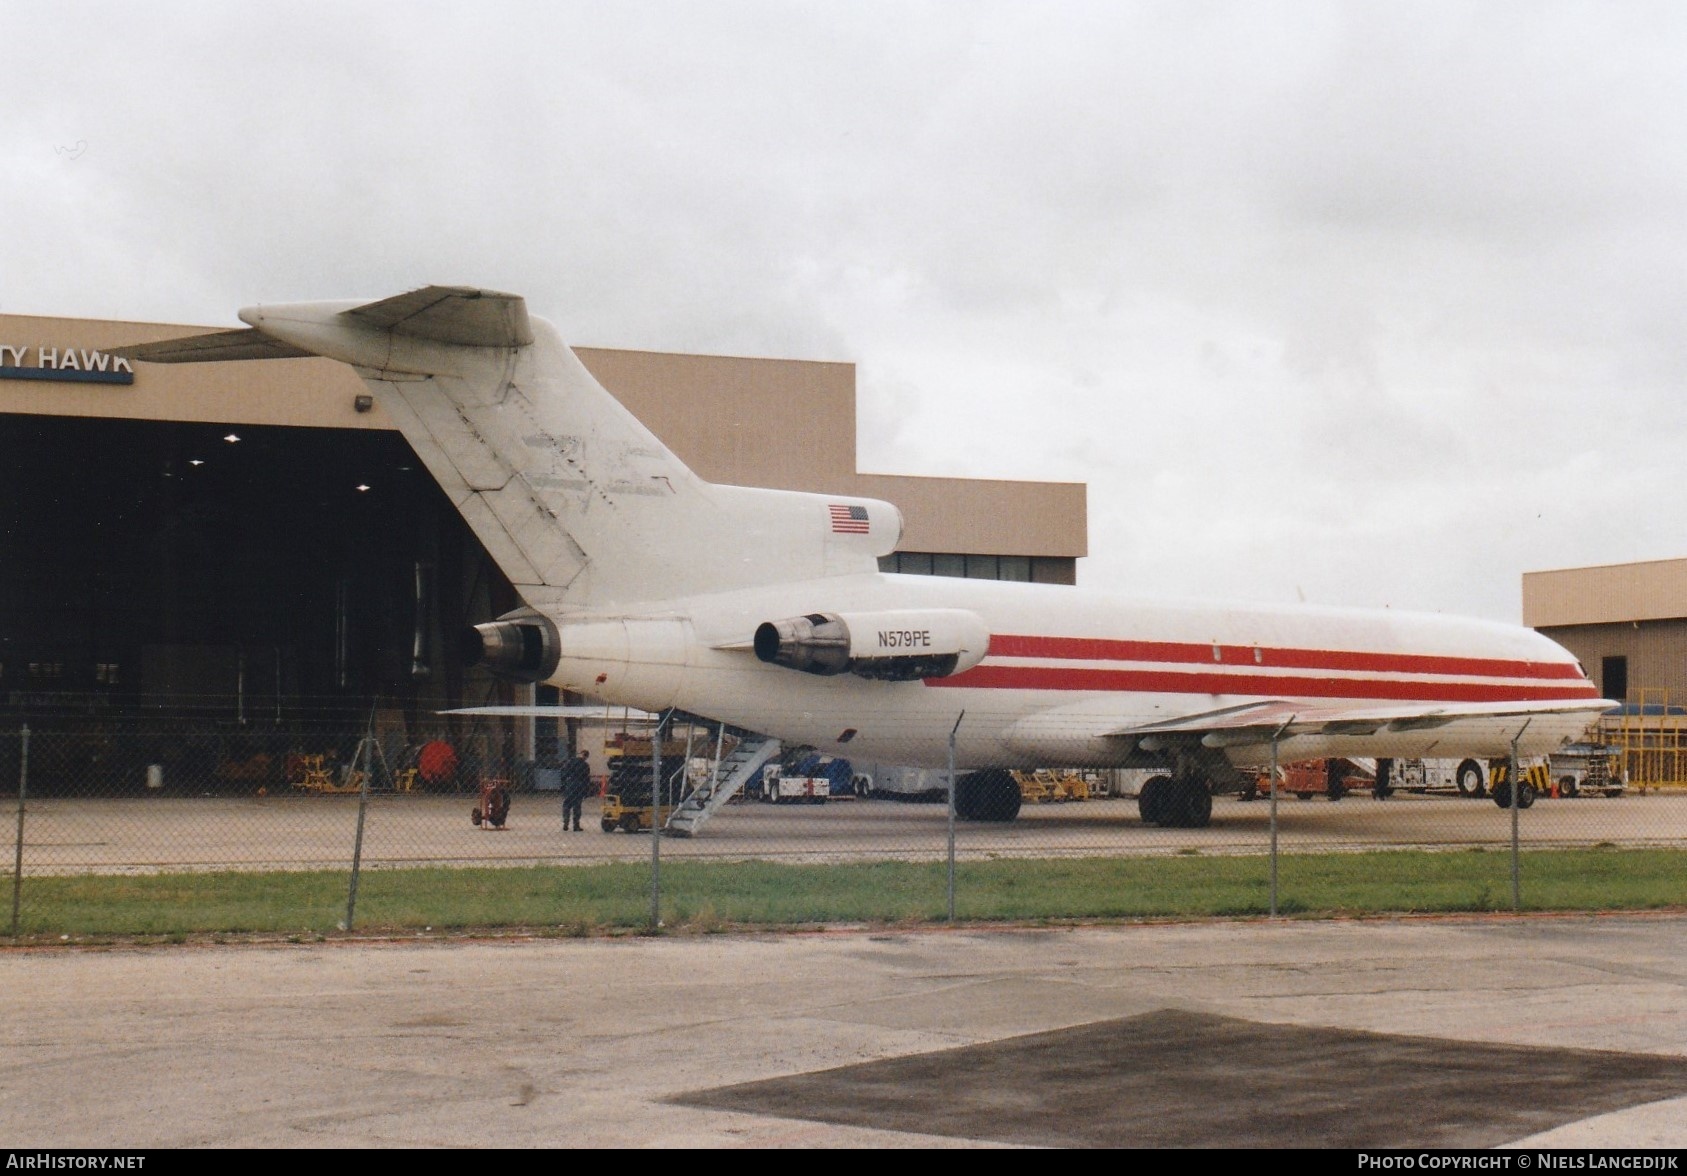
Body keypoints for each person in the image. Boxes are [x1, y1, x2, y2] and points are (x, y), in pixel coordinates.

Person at [560, 749, 591, 832]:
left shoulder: (569, 762)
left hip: (569, 785)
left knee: (566, 804)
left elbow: (563, 774)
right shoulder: (585, 765)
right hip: (579, 787)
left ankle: (565, 822)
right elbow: (586, 779)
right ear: (586, 756)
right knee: (577, 806)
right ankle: (576, 825)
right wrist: (586, 791)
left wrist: (563, 786)